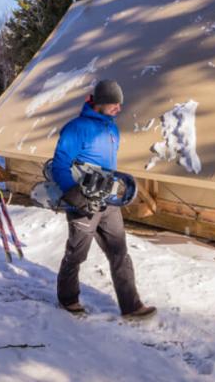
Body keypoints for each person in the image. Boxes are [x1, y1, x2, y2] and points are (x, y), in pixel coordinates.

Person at [51, 79, 156, 319]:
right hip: (82, 201)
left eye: (119, 104)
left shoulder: (112, 128)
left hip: (108, 201)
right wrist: (72, 193)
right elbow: (60, 164)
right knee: (77, 253)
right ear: (99, 104)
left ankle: (131, 306)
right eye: (113, 105)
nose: (118, 109)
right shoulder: (76, 128)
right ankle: (68, 299)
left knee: (120, 253)